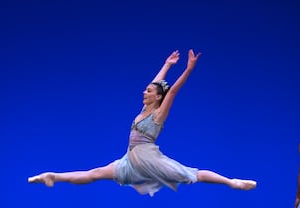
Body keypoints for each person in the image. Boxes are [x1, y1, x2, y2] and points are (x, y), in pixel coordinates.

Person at [28, 49, 257, 196]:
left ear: (158, 97)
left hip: (148, 158)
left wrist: (187, 69)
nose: (144, 91)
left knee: (192, 174)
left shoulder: (158, 114)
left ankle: (232, 182)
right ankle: (52, 176)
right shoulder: (144, 109)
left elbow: (172, 91)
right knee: (95, 173)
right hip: (131, 158)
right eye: (146, 90)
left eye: (149, 91)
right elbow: (157, 83)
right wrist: (167, 64)